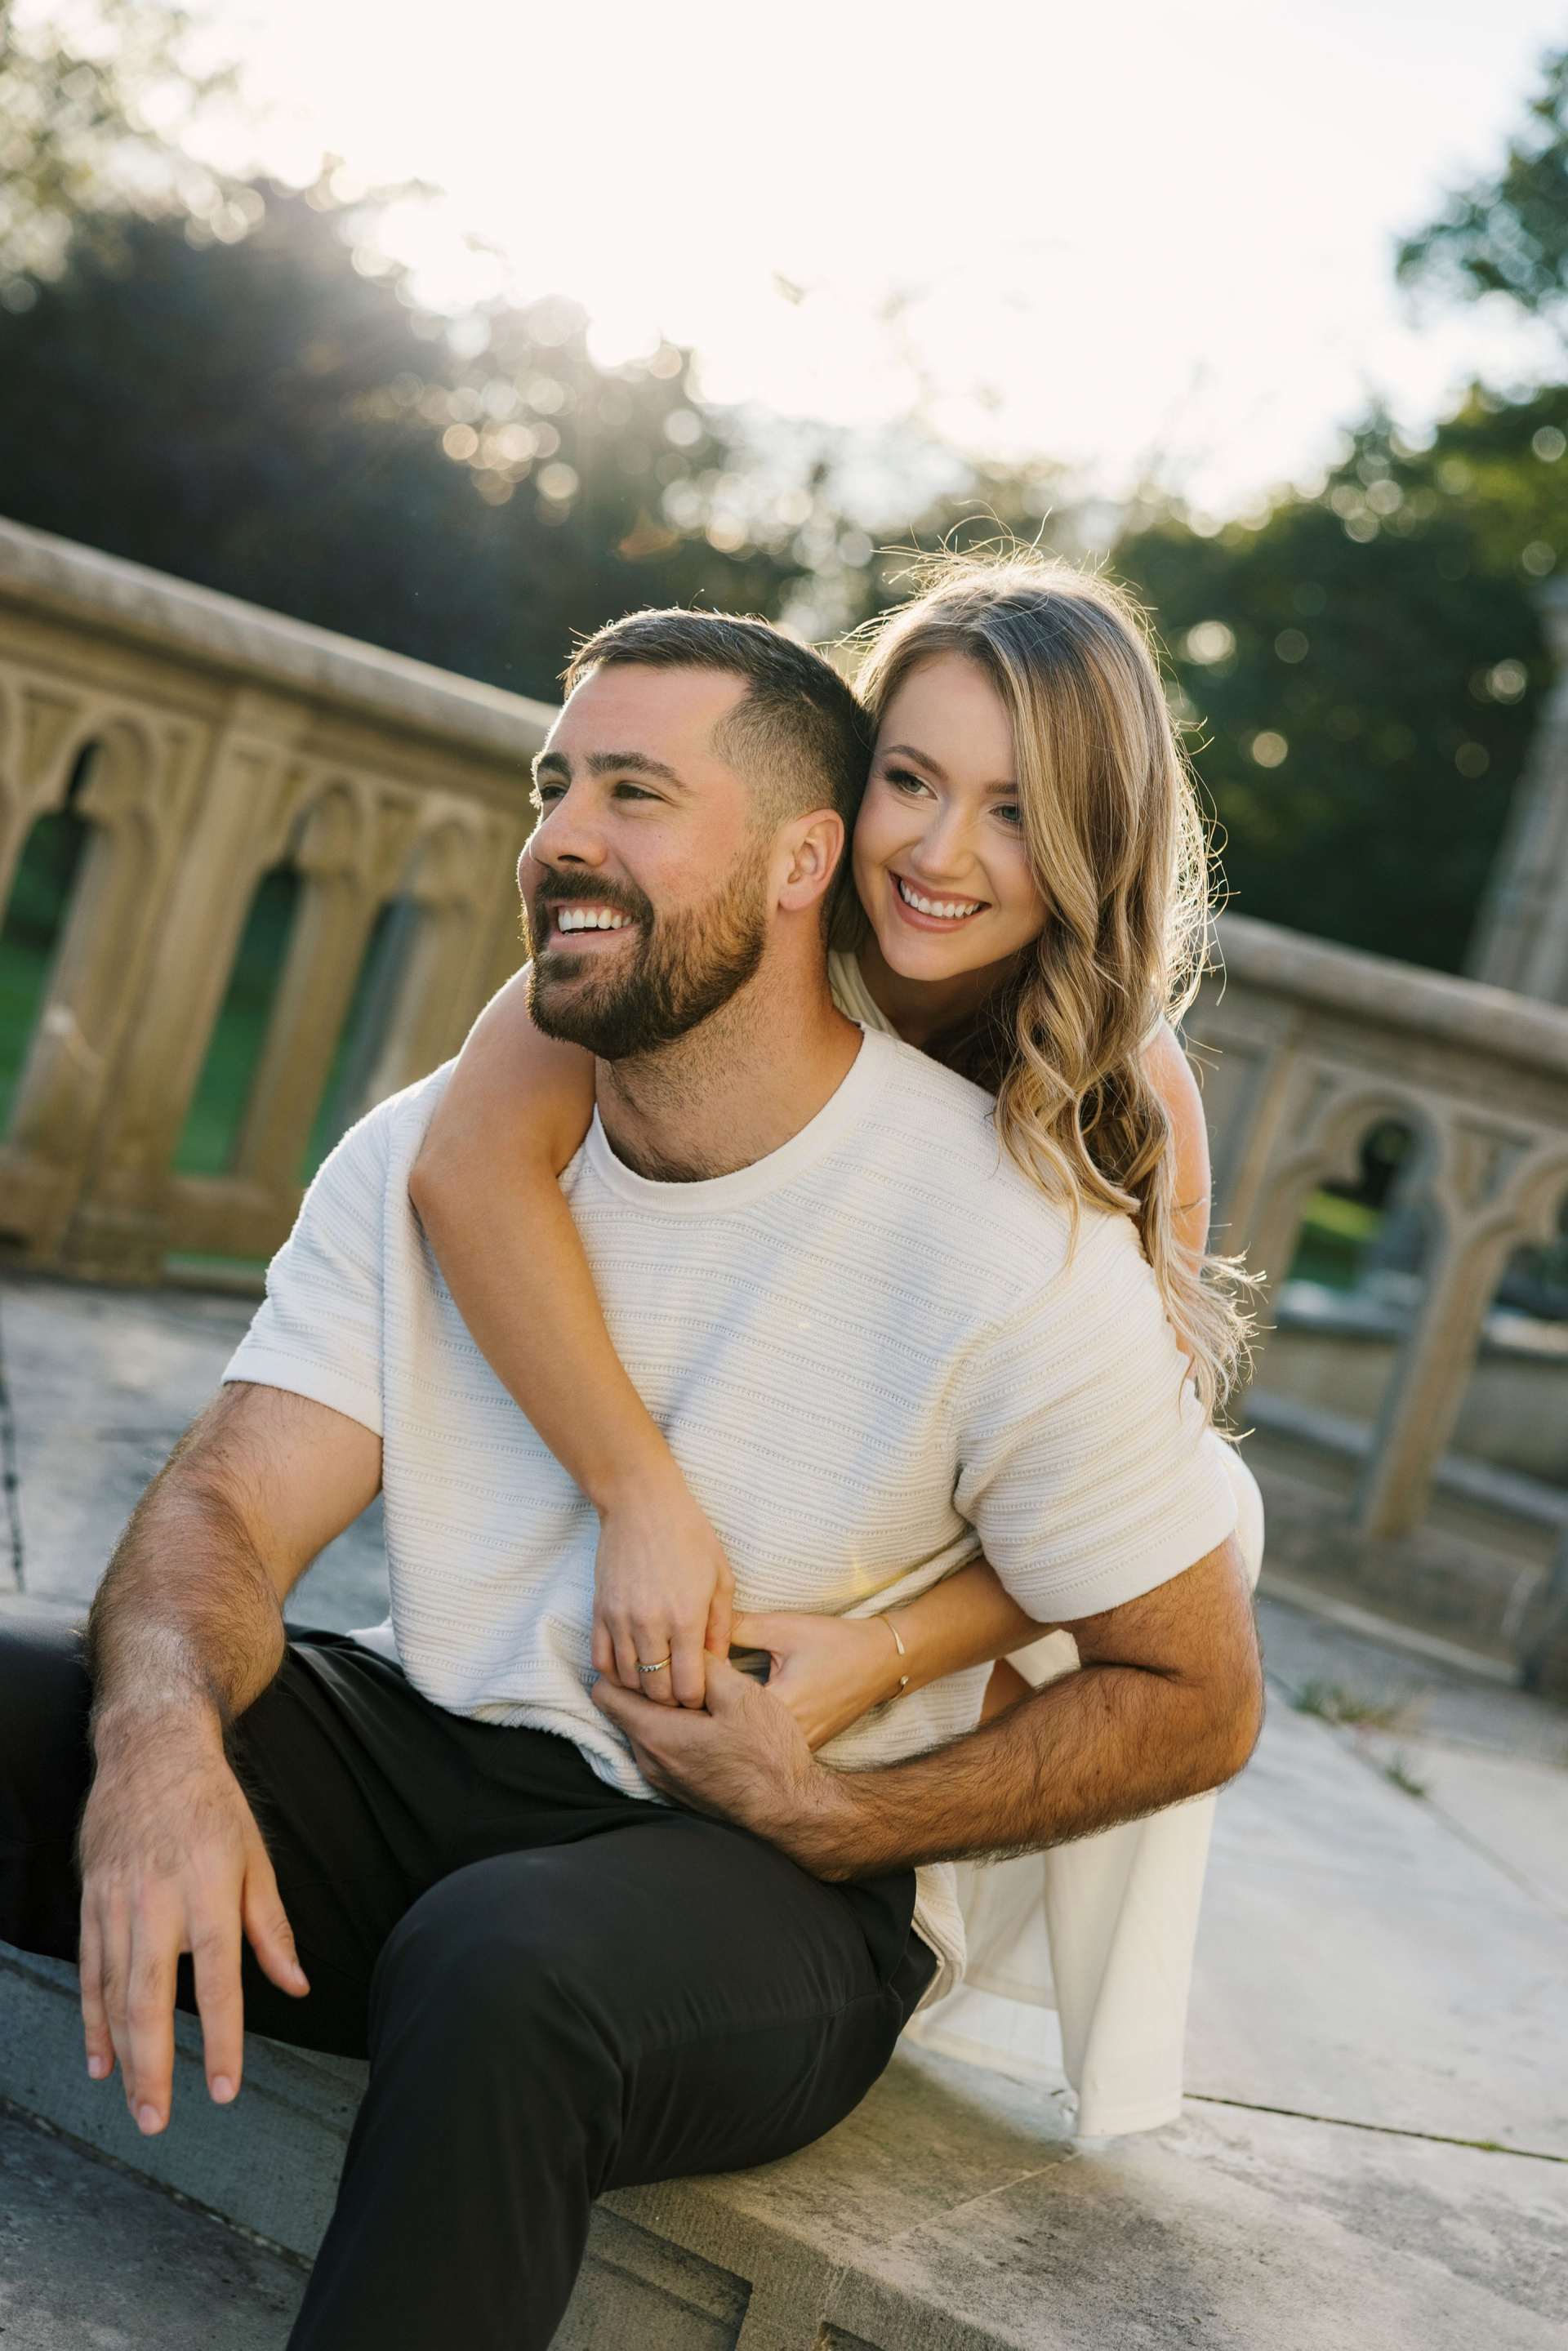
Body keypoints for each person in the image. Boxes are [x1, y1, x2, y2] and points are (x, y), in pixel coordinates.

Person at [0, 605, 1262, 2351]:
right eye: (555, 789)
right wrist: (163, 1749)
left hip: (758, 1859)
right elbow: (245, 1477)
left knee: (510, 1957)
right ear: (844, 814)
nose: (943, 853)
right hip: (442, 1750)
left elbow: (1185, 1666)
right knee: (84, 1705)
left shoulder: (1057, 1202)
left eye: (638, 795)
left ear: (789, 850)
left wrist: (848, 1773)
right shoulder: (503, 1080)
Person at [410, 554, 1263, 2126]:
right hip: (709, 1449)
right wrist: (641, 1498)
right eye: (911, 782)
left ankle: (855, 1905)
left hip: (974, 1549)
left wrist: (888, 1650)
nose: (940, 854)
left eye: (1015, 812)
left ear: (1095, 839)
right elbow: (469, 1167)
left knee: (1208, 1506)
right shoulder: (725, 931)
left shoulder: (1129, 1099)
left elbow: (1126, 1469)